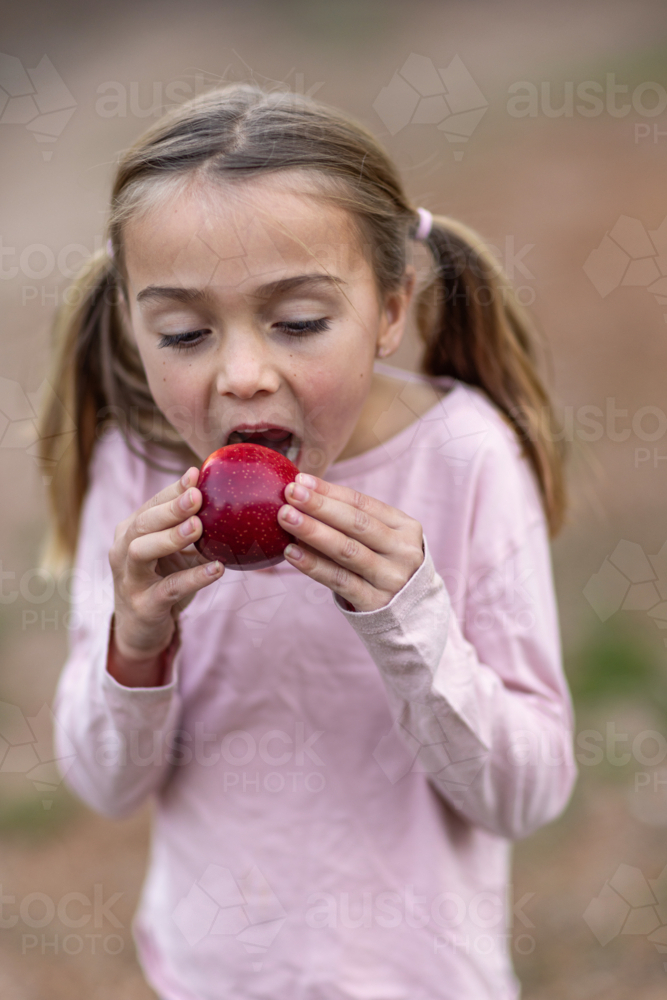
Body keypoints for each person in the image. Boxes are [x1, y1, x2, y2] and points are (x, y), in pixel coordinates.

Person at [40, 83, 576, 1000]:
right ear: (131, 327)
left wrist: (410, 619)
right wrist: (136, 642)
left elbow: (524, 795)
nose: (244, 375)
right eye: (183, 332)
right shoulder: (137, 474)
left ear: (391, 309)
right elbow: (104, 786)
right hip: (207, 973)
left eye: (297, 323)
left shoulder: (464, 460)